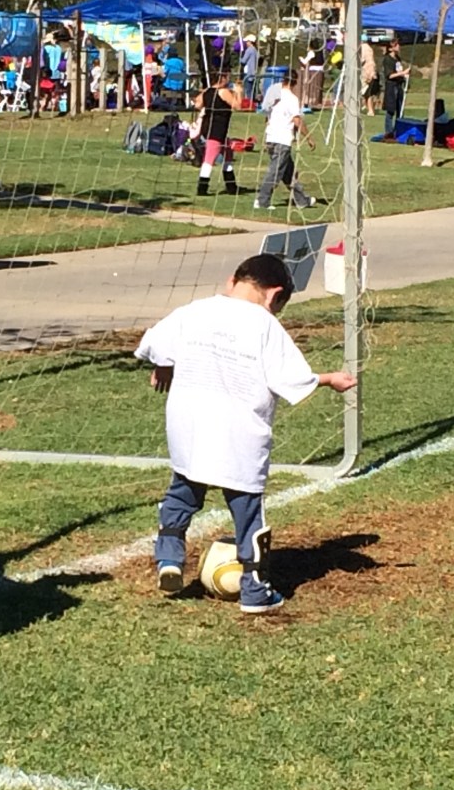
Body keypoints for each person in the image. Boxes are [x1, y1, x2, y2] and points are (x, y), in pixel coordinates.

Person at [135, 253, 357, 614]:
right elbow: (291, 379)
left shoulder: (194, 311)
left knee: (182, 493)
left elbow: (155, 343)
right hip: (238, 436)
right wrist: (329, 379)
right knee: (248, 513)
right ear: (274, 296)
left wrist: (164, 364)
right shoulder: (265, 326)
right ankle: (255, 592)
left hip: (190, 428)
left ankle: (169, 559)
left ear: (232, 281)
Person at [254, 71, 315, 211]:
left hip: (271, 138)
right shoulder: (292, 99)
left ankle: (302, 200)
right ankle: (262, 200)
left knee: (289, 172)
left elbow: (267, 116)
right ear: (295, 82)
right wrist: (309, 137)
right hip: (282, 140)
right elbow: (297, 120)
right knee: (275, 172)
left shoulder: (274, 96)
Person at [194, 70, 242, 196]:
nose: (228, 80)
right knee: (209, 158)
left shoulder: (207, 91)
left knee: (228, 154)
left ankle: (231, 186)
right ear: (222, 78)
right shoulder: (223, 92)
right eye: (227, 77)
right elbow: (238, 106)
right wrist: (238, 92)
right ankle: (202, 188)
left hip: (209, 127)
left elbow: (197, 104)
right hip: (217, 129)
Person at [382, 38, 409, 137]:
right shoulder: (387, 59)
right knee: (390, 110)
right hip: (391, 87)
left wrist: (404, 76)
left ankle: (399, 130)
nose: (398, 46)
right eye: (396, 45)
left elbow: (399, 71)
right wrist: (402, 73)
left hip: (399, 85)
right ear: (390, 48)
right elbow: (389, 75)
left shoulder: (397, 58)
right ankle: (389, 132)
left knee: (400, 109)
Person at [359, 35, 380, 117]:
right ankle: (369, 109)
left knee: (367, 93)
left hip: (365, 72)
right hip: (371, 72)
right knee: (367, 93)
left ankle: (370, 110)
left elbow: (361, 60)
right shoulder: (370, 48)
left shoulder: (363, 48)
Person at [240, 34, 259, 101]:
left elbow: (243, 61)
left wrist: (239, 58)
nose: (246, 43)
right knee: (252, 90)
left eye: (247, 41)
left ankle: (249, 104)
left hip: (248, 73)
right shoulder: (255, 50)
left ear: (250, 42)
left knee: (248, 91)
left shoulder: (249, 50)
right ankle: (252, 103)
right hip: (254, 72)